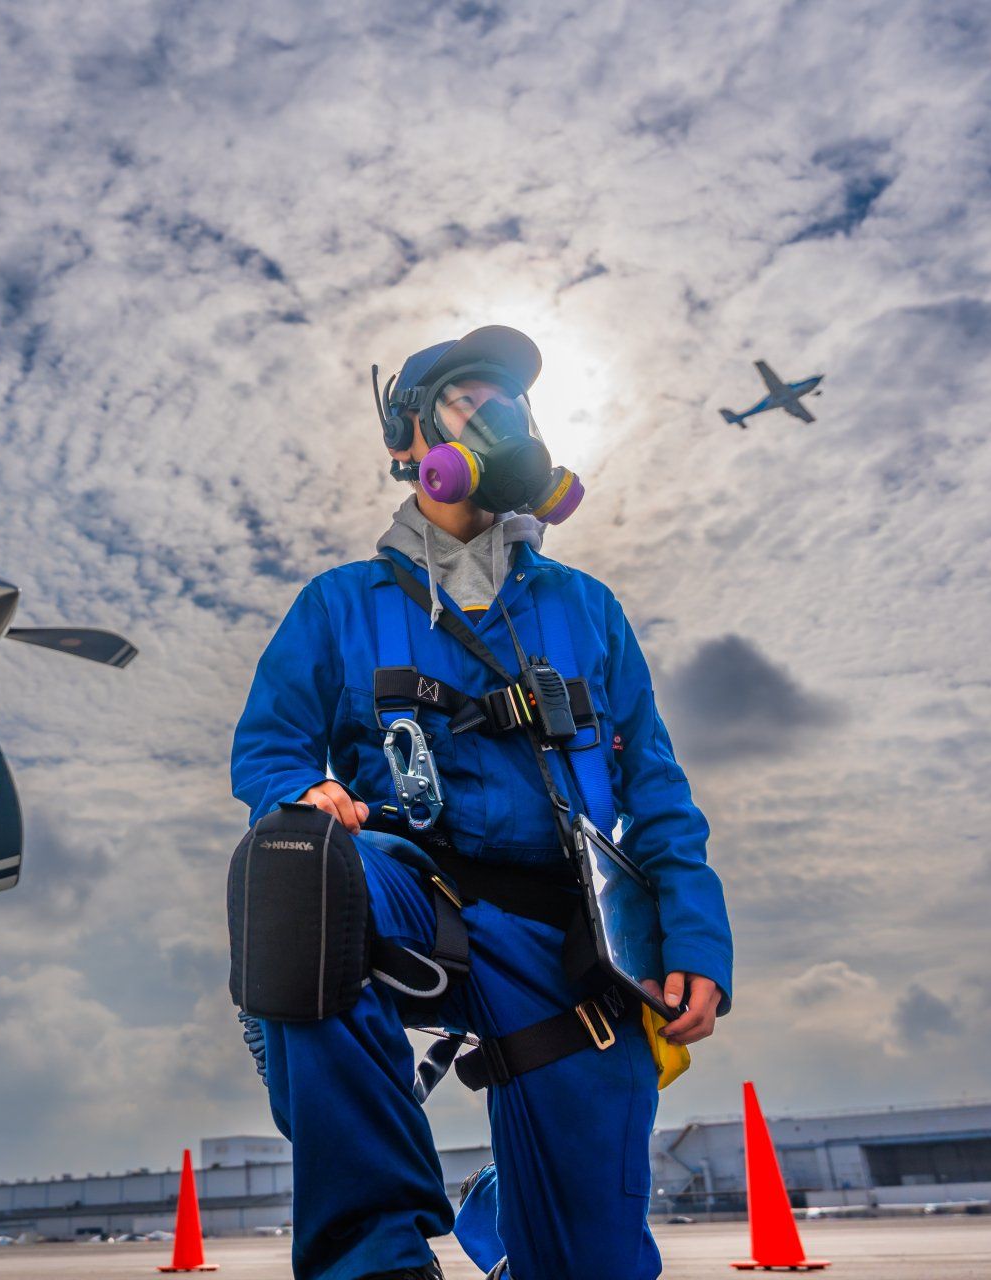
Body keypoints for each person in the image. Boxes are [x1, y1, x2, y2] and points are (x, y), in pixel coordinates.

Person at [229, 326, 733, 1280]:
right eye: (468, 400)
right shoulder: (338, 606)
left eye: (513, 403)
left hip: (569, 937)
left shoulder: (587, 609)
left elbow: (658, 791)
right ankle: (373, 1256)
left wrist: (696, 939)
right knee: (294, 871)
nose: (499, 419)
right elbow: (268, 749)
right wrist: (302, 791)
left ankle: (508, 1221)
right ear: (410, 442)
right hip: (410, 897)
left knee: (592, 1266)